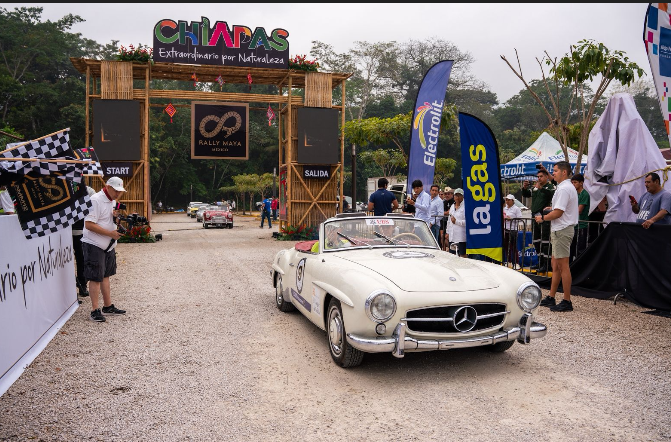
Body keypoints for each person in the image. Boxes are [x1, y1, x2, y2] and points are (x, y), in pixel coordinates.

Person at [82, 177, 126, 322]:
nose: (118, 194)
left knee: (105, 275)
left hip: (108, 245)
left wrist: (116, 218)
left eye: (120, 191)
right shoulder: (96, 200)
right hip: (94, 244)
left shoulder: (112, 200)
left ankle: (107, 306)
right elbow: (89, 224)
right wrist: (110, 234)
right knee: (95, 277)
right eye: (116, 190)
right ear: (108, 187)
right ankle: (94, 310)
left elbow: (106, 220)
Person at [537, 161, 578, 312]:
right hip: (560, 229)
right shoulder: (564, 187)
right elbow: (559, 209)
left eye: (555, 171)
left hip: (562, 230)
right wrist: (552, 209)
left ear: (564, 172)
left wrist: (543, 218)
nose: (553, 173)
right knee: (555, 265)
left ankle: (567, 300)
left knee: (563, 266)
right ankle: (551, 296)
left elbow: (559, 213)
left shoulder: (565, 188)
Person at [522, 167, 556, 272]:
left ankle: (547, 265)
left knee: (545, 241)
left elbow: (551, 194)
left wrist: (541, 188)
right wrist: (524, 188)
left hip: (544, 217)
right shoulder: (536, 187)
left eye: (541, 176)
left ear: (546, 177)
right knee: (536, 241)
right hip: (534, 216)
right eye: (538, 177)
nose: (539, 178)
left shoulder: (550, 186)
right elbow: (526, 194)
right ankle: (540, 263)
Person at [73, 185, 96, 302]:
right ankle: (74, 288)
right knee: (66, 261)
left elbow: (94, 205)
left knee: (81, 258)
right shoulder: (64, 188)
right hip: (65, 231)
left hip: (81, 230)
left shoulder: (88, 190)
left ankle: (82, 284)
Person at [570, 173, 590, 261]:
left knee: (580, 250)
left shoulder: (584, 194)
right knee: (570, 250)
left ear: (581, 183)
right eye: (572, 182)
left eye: (575, 182)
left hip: (581, 226)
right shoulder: (573, 193)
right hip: (572, 225)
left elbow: (579, 210)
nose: (573, 184)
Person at [503, 194, 522, 268]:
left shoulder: (516, 209)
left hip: (513, 229)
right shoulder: (504, 208)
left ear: (512, 201)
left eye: (509, 200)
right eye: (506, 200)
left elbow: (520, 218)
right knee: (507, 247)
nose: (507, 201)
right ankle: (509, 262)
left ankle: (516, 263)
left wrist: (511, 219)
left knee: (514, 247)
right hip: (505, 229)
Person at [447, 188, 466, 257]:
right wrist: (447, 232)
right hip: (452, 236)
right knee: (452, 256)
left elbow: (467, 222)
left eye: (459, 195)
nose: (457, 197)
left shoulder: (465, 207)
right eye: (456, 195)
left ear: (463, 196)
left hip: (461, 237)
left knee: (462, 255)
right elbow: (449, 220)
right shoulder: (452, 206)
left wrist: (456, 222)